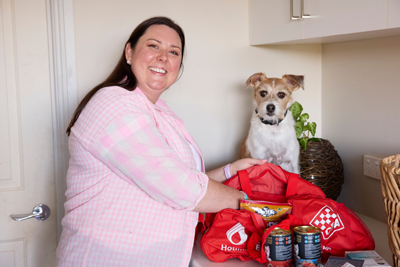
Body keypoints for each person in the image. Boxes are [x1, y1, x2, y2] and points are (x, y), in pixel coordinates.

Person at [56, 16, 265, 267]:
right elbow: (180, 188)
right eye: (154, 46)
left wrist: (229, 170)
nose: (163, 57)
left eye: (173, 52)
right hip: (108, 257)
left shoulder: (159, 110)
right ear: (129, 52)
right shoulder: (114, 104)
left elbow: (170, 177)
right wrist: (258, 206)